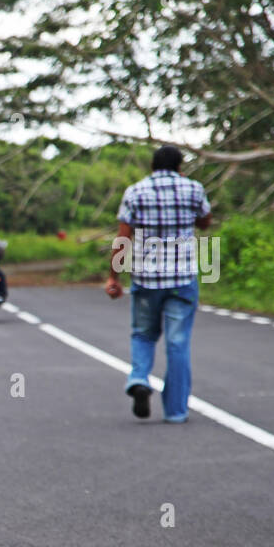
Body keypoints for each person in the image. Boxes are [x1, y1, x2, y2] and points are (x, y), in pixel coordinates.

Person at [105, 145, 212, 422]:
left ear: (152, 167)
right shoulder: (193, 189)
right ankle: (176, 411)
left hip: (146, 279)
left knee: (143, 334)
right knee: (178, 344)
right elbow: (205, 223)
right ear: (179, 166)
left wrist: (114, 277)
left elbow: (123, 238)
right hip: (182, 280)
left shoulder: (135, 192)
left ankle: (139, 379)